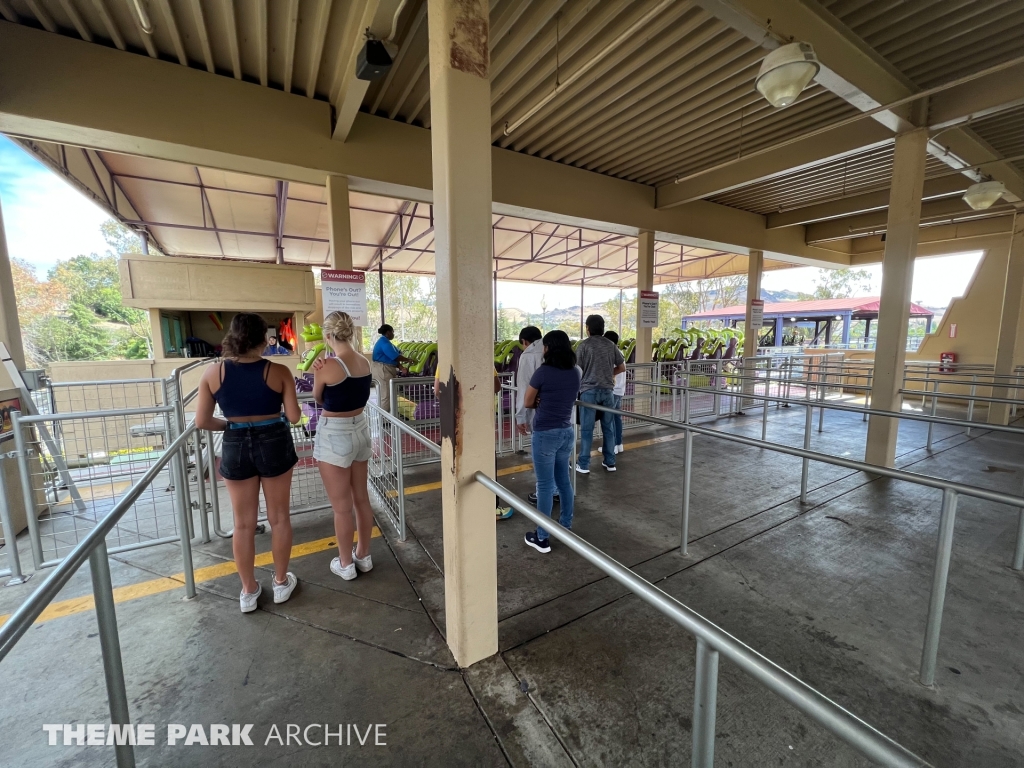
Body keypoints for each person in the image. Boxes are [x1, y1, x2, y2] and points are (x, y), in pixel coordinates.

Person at [195, 312, 301, 613]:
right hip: (274, 442)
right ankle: (281, 583)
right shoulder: (278, 371)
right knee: (279, 518)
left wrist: (231, 426)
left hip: (235, 444)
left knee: (242, 524)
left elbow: (202, 420)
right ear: (263, 339)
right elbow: (294, 417)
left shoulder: (213, 373)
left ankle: (248, 591)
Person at [312, 311, 376, 581]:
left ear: (328, 336)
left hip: (335, 434)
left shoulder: (328, 366)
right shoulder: (365, 361)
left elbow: (318, 399)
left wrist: (318, 370)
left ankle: (346, 563)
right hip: (360, 429)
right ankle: (364, 555)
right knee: (361, 498)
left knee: (341, 506)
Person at [522, 331, 580, 554]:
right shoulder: (574, 372)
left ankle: (542, 537)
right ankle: (565, 526)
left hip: (546, 433)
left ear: (547, 348)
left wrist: (540, 399)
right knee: (563, 482)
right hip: (567, 432)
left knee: (545, 485)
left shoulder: (543, 372)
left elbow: (528, 402)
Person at [435, 366, 514, 520]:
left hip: (456, 425)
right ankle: (492, 509)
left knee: (460, 465)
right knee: (486, 465)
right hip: (480, 421)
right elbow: (496, 386)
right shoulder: (484, 359)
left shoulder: (444, 361)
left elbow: (438, 390)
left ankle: (463, 509)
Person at [514, 326, 558, 506]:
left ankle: (545, 493)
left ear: (525, 342)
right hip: (561, 415)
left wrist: (520, 417)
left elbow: (524, 388)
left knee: (542, 458)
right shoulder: (556, 351)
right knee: (558, 457)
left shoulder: (528, 356)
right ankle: (558, 490)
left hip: (539, 413)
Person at [575, 314, 625, 473]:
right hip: (608, 392)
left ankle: (584, 464)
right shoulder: (611, 345)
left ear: (588, 328)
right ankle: (610, 462)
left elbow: (577, 369)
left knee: (587, 429)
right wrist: (609, 375)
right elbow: (622, 367)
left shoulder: (584, 346)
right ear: (602, 328)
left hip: (588, 392)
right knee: (608, 428)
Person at [371, 324, 414, 414]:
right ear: (388, 332)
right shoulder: (384, 343)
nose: (393, 334)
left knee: (387, 395)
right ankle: (383, 421)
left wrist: (401, 367)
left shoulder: (386, 342)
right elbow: (395, 357)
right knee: (386, 396)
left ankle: (387, 417)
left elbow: (393, 357)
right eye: (392, 332)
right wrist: (408, 360)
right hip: (382, 369)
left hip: (386, 368)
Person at [604, 330, 626, 455]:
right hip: (620, 390)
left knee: (610, 419)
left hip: (613, 390)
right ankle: (619, 444)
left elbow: (618, 369)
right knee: (616, 418)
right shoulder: (619, 353)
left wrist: (608, 374)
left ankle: (611, 447)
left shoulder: (612, 353)